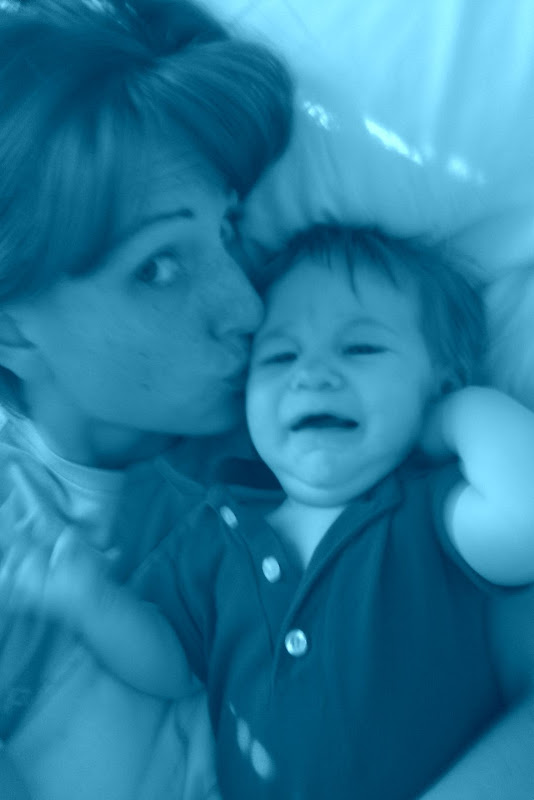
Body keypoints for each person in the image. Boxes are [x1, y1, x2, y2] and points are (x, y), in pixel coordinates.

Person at [7, 225, 534, 799]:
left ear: (440, 383)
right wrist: (93, 602)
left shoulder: (432, 512)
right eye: (281, 356)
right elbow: (172, 668)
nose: (312, 373)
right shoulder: (219, 528)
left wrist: (460, 412)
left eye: (361, 348)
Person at [0, 0, 292, 798]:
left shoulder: (308, 435)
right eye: (158, 267)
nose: (248, 308)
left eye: (229, 232)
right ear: (13, 331)